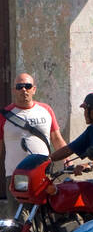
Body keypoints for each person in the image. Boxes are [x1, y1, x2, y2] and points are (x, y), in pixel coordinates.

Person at [0, 72, 66, 219]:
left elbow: (56, 138)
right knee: (20, 221)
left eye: (27, 86)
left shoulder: (46, 110)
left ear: (34, 89)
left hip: (43, 174)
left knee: (49, 217)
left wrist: (67, 159)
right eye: (19, 86)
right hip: (16, 176)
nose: (24, 89)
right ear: (14, 90)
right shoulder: (4, 115)